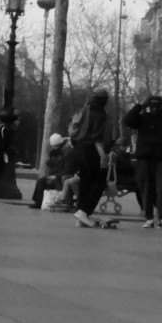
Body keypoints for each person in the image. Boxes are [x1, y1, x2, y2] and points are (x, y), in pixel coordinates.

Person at [123, 93, 162, 229]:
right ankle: (150, 217)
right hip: (146, 158)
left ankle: (161, 217)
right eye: (152, 106)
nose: (154, 109)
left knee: (161, 188)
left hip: (159, 159)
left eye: (156, 106)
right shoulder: (143, 118)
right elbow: (128, 120)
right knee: (147, 188)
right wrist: (141, 105)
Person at [69, 88, 112, 227]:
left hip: (80, 148)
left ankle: (81, 217)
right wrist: (103, 156)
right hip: (93, 150)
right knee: (100, 182)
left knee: (85, 182)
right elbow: (97, 137)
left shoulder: (84, 109)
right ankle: (84, 211)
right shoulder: (100, 113)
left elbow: (74, 127)